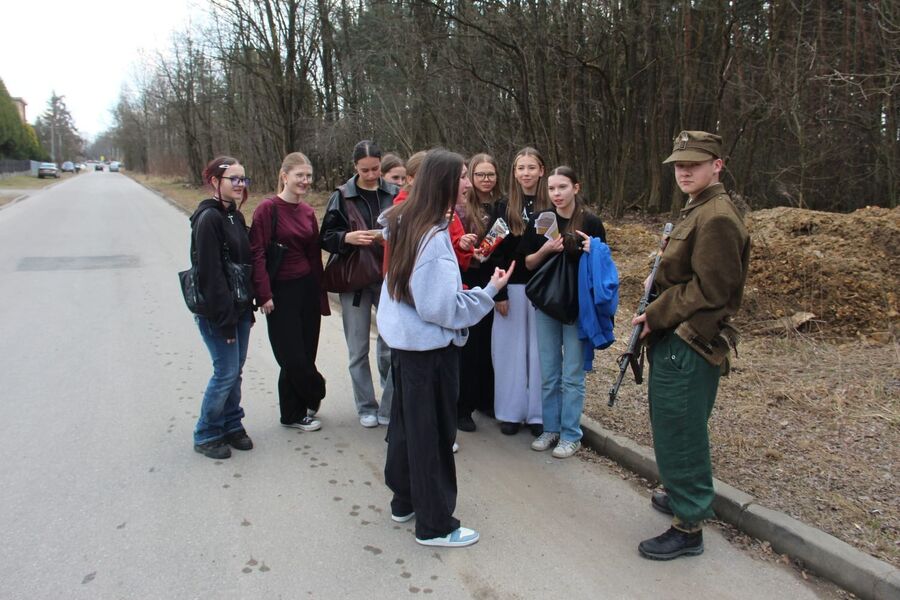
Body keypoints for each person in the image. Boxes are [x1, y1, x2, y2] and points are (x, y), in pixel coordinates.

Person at [377, 149, 514, 547]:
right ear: (443, 182)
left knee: (407, 428)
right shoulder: (433, 238)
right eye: (462, 177)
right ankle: (435, 524)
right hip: (428, 351)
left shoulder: (405, 220)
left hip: (407, 346)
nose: (468, 183)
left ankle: (405, 500)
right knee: (433, 436)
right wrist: (489, 291)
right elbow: (441, 308)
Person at [632, 131, 750, 560]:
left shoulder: (717, 216)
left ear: (717, 165)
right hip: (676, 336)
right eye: (679, 165)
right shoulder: (698, 206)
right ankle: (682, 494)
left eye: (694, 164)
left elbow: (712, 290)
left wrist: (656, 313)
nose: (684, 171)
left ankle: (689, 526)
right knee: (671, 423)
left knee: (682, 432)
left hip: (690, 339)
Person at [519, 166, 607, 458]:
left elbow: (604, 266)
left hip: (577, 305)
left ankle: (571, 434)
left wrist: (592, 249)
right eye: (552, 188)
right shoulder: (541, 220)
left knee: (572, 374)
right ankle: (550, 429)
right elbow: (528, 263)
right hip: (546, 302)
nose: (556, 194)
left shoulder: (590, 222)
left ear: (576, 188)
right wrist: (547, 249)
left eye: (563, 187)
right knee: (549, 372)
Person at [320, 140, 399, 428]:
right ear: (355, 167)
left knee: (393, 345)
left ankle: (389, 405)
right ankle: (366, 406)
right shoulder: (341, 195)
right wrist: (346, 238)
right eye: (364, 170)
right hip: (354, 279)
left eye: (375, 169)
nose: (370, 175)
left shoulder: (394, 193)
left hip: (388, 277)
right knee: (357, 349)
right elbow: (325, 236)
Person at [249, 152, 327, 433]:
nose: (305, 180)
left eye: (308, 176)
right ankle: (315, 390)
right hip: (280, 291)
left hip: (307, 288)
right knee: (291, 355)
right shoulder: (267, 209)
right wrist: (263, 293)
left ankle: (293, 413)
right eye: (299, 175)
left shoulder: (307, 212)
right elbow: (257, 253)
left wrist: (320, 293)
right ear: (284, 176)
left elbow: (314, 254)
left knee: (306, 351)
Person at [188, 156, 255, 459]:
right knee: (225, 372)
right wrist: (225, 320)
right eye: (234, 179)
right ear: (215, 181)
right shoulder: (208, 219)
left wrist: (247, 308)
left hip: (239, 308)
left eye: (243, 179)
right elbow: (211, 275)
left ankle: (231, 423)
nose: (240, 185)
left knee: (234, 371)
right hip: (218, 312)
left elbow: (243, 266)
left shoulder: (234, 216)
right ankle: (206, 432)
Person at [491, 147, 550, 436]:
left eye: (531, 167)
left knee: (540, 353)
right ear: (514, 173)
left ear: (541, 170)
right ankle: (510, 412)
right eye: (521, 168)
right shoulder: (504, 207)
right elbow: (494, 249)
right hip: (512, 287)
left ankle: (538, 414)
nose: (526, 173)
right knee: (509, 353)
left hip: (543, 288)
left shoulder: (551, 204)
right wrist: (498, 293)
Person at [455, 153, 505, 431]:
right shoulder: (461, 207)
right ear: (471, 177)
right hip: (470, 277)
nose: (486, 179)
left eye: (490, 174)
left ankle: (487, 399)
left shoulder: (503, 205)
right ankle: (462, 407)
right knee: (470, 346)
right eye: (479, 175)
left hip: (495, 277)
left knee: (489, 344)